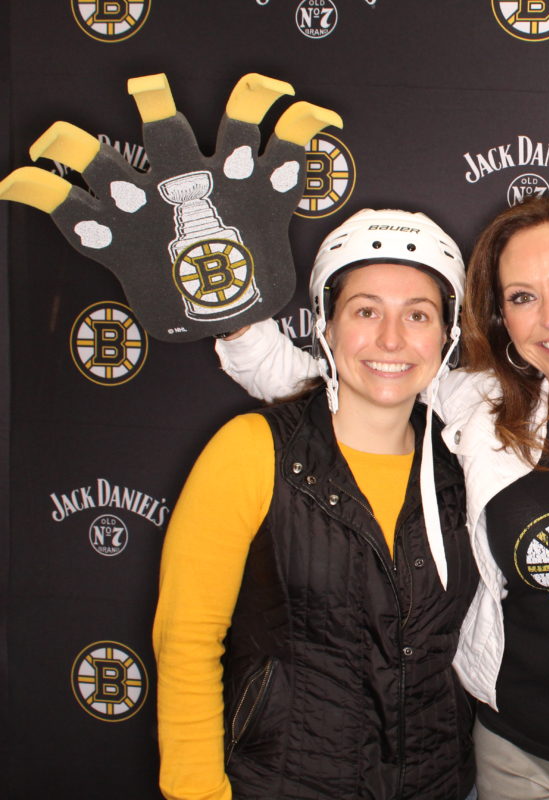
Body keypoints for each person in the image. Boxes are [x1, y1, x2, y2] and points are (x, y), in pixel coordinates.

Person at [214, 196, 549, 799]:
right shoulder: (481, 408)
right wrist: (231, 317)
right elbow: (349, 378)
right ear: (504, 322)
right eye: (522, 297)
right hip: (513, 755)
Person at [153, 209, 479, 800]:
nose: (391, 338)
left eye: (418, 315)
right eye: (366, 310)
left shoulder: (464, 467)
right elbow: (187, 641)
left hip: (440, 784)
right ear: (327, 328)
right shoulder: (252, 451)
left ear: (446, 338)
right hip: (284, 782)